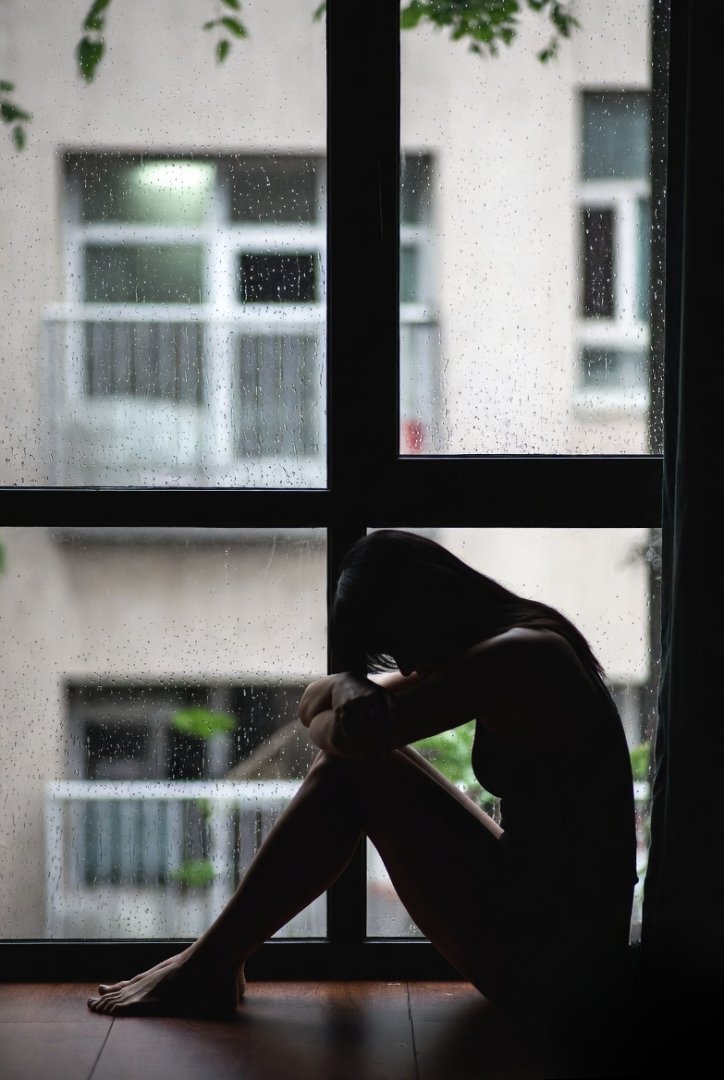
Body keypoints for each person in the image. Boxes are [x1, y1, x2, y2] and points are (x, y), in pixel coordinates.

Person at [87, 529, 637, 1063]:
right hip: (554, 936)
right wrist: (348, 684)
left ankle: (208, 964)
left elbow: (351, 736)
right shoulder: (524, 637)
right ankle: (212, 961)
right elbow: (315, 704)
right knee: (361, 766)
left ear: (425, 606)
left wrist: (350, 698)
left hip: (562, 972)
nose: (403, 668)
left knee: (360, 772)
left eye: (399, 644)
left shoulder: (521, 657)